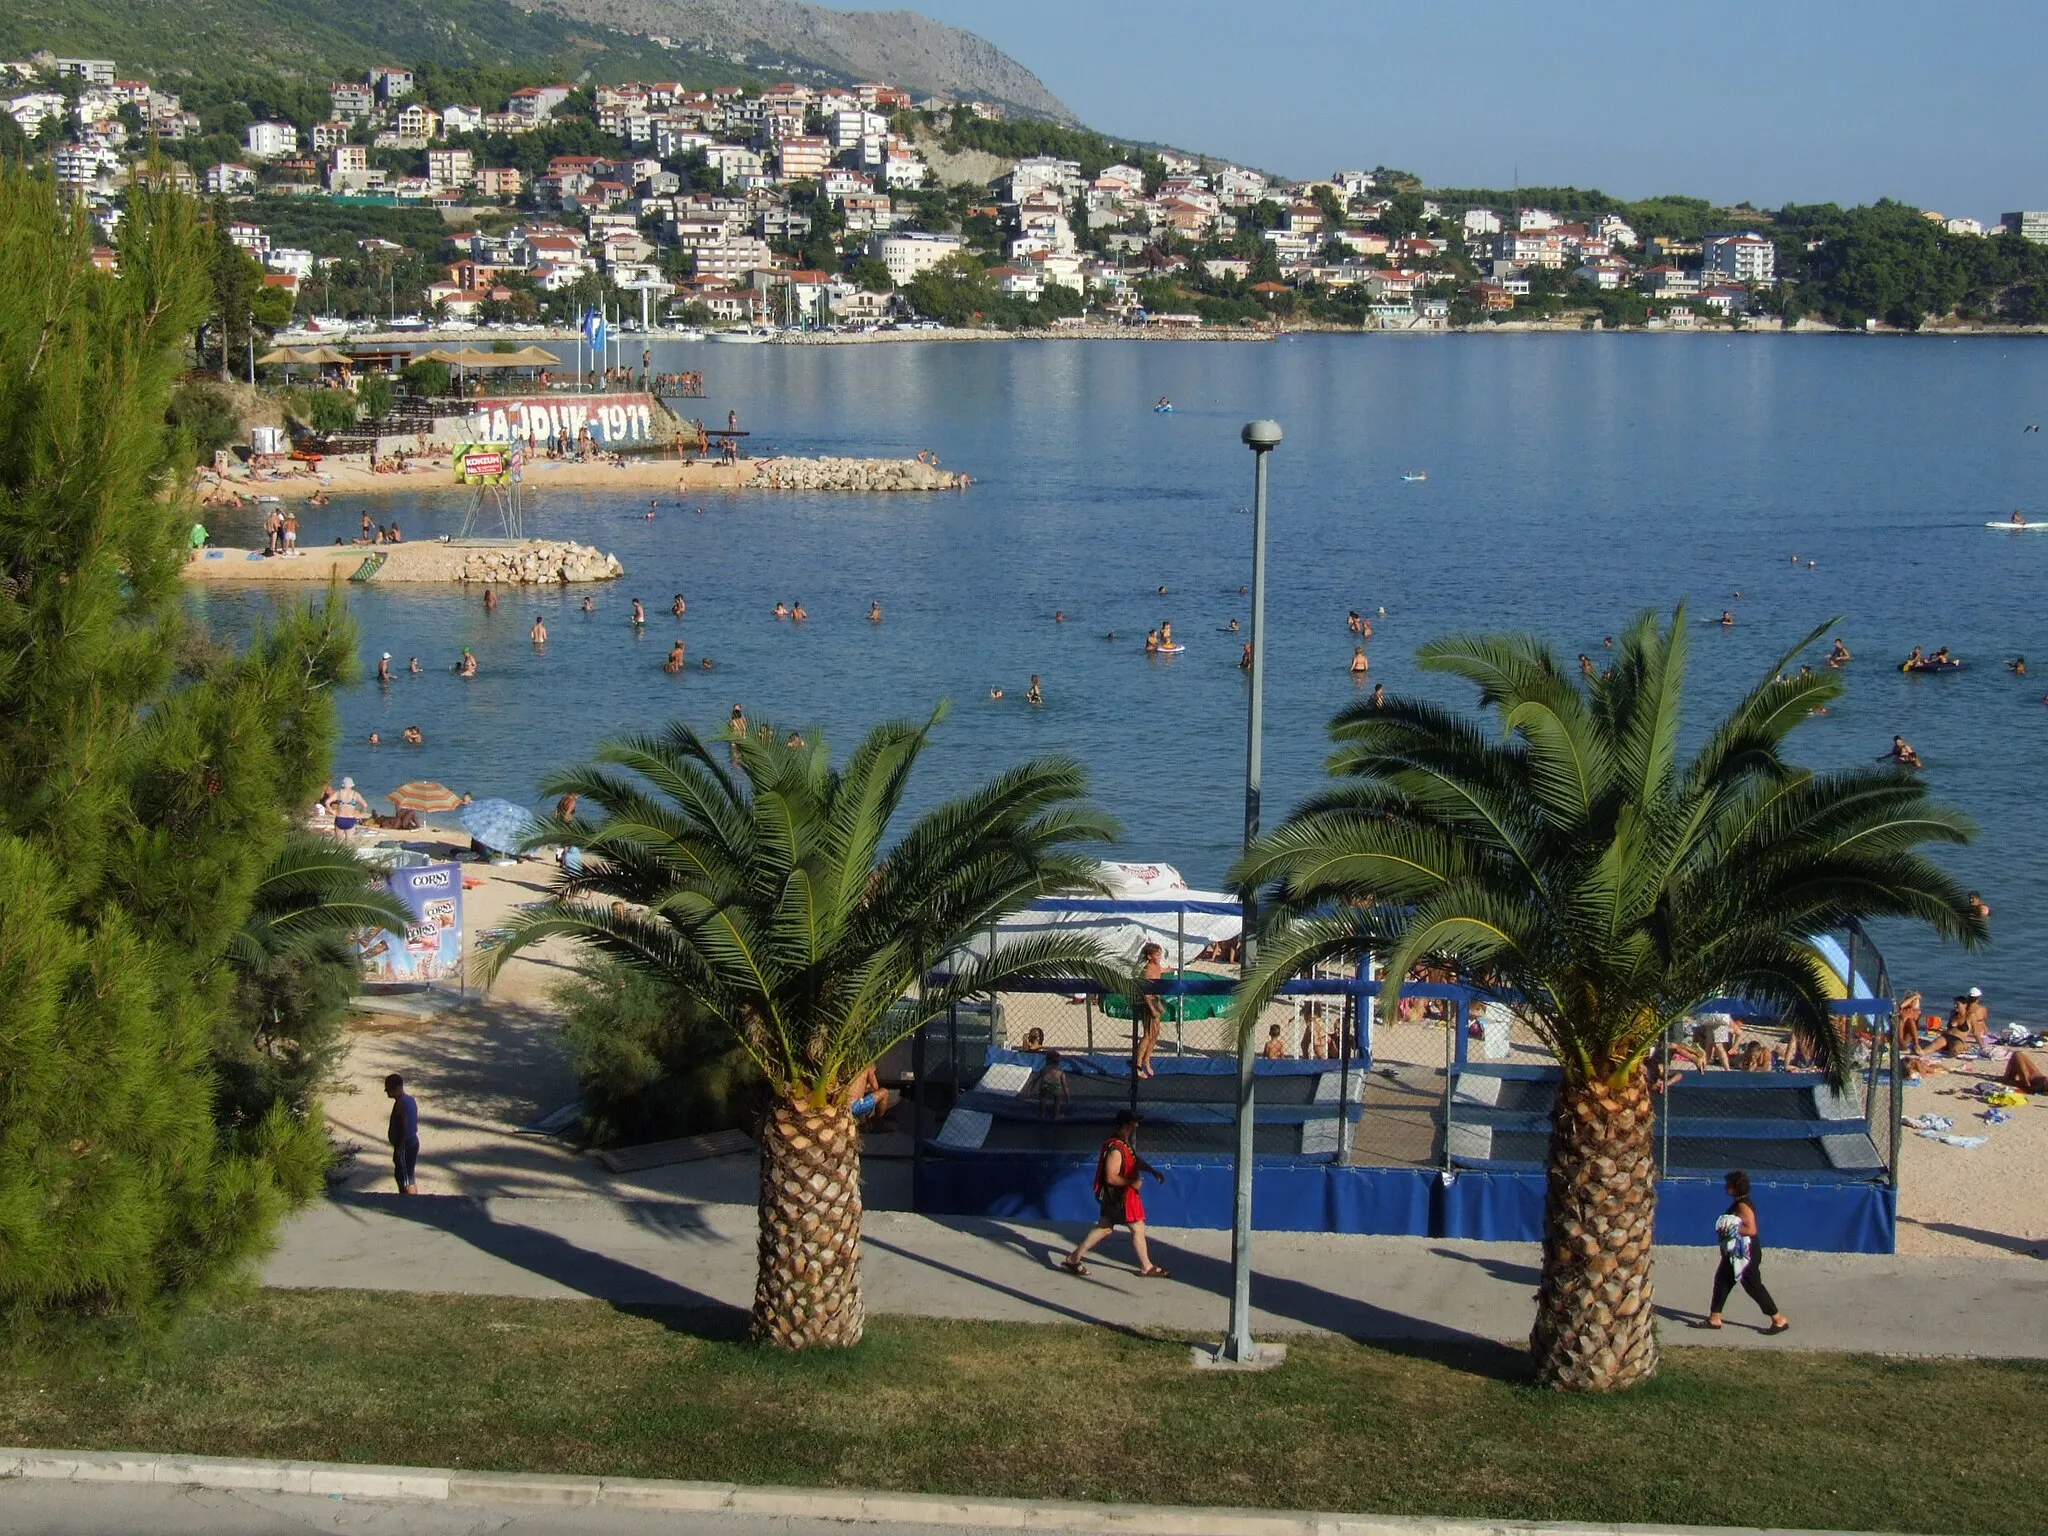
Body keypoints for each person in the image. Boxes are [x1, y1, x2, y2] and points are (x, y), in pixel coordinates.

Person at [1060, 1111, 1166, 1277]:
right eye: (1133, 1123)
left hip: (1119, 1197)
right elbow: (1111, 1177)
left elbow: (1133, 1159)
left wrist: (1151, 1170)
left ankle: (1073, 1258)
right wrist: (1132, 1183)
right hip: (1120, 1198)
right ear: (1125, 1125)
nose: (1137, 1126)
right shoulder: (1116, 1149)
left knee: (1105, 1227)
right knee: (1137, 1227)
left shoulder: (1123, 1143)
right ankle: (1147, 1266)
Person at [1696, 1171, 1788, 1333]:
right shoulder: (1739, 1202)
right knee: (1722, 1280)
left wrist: (1730, 1228)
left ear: (1733, 1189)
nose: (1725, 1187)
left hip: (1745, 1254)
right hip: (1734, 1253)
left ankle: (1779, 1320)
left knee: (1753, 1286)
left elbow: (1751, 1229)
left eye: (1728, 1185)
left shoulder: (1742, 1205)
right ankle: (1714, 1318)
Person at [1132, 942, 1165, 1078]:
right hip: (1149, 1002)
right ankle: (1137, 1065)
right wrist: (1151, 1008)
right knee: (1148, 1034)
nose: (1159, 956)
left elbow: (1161, 971)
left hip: (1156, 1000)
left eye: (1160, 954)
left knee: (1155, 1034)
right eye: (1157, 954)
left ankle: (1147, 1060)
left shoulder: (1157, 967)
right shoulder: (1147, 970)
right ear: (1150, 956)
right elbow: (1145, 993)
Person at [385, 1073, 420, 1195]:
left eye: (388, 1088)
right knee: (409, 1176)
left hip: (405, 1144)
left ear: (395, 1088)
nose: (386, 1091)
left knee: (404, 1179)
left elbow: (404, 1127)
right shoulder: (410, 1099)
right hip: (412, 1141)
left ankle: (408, 1203)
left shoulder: (400, 1104)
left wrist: (399, 1146)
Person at [849, 1063, 893, 1129]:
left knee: (866, 1097)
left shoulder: (848, 1065)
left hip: (842, 1107)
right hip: (855, 1106)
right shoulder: (867, 1066)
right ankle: (878, 1123)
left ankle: (864, 1122)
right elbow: (875, 1087)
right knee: (884, 1092)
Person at [1034, 1049, 1070, 1121]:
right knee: (1057, 1099)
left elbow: (1035, 1078)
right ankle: (1056, 1115)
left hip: (1045, 1086)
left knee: (1042, 1098)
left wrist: (1029, 1090)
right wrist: (1067, 1096)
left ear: (1047, 1061)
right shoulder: (1060, 1070)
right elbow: (1065, 1085)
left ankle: (1042, 1113)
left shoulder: (1044, 1068)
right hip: (1056, 1086)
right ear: (1058, 1062)